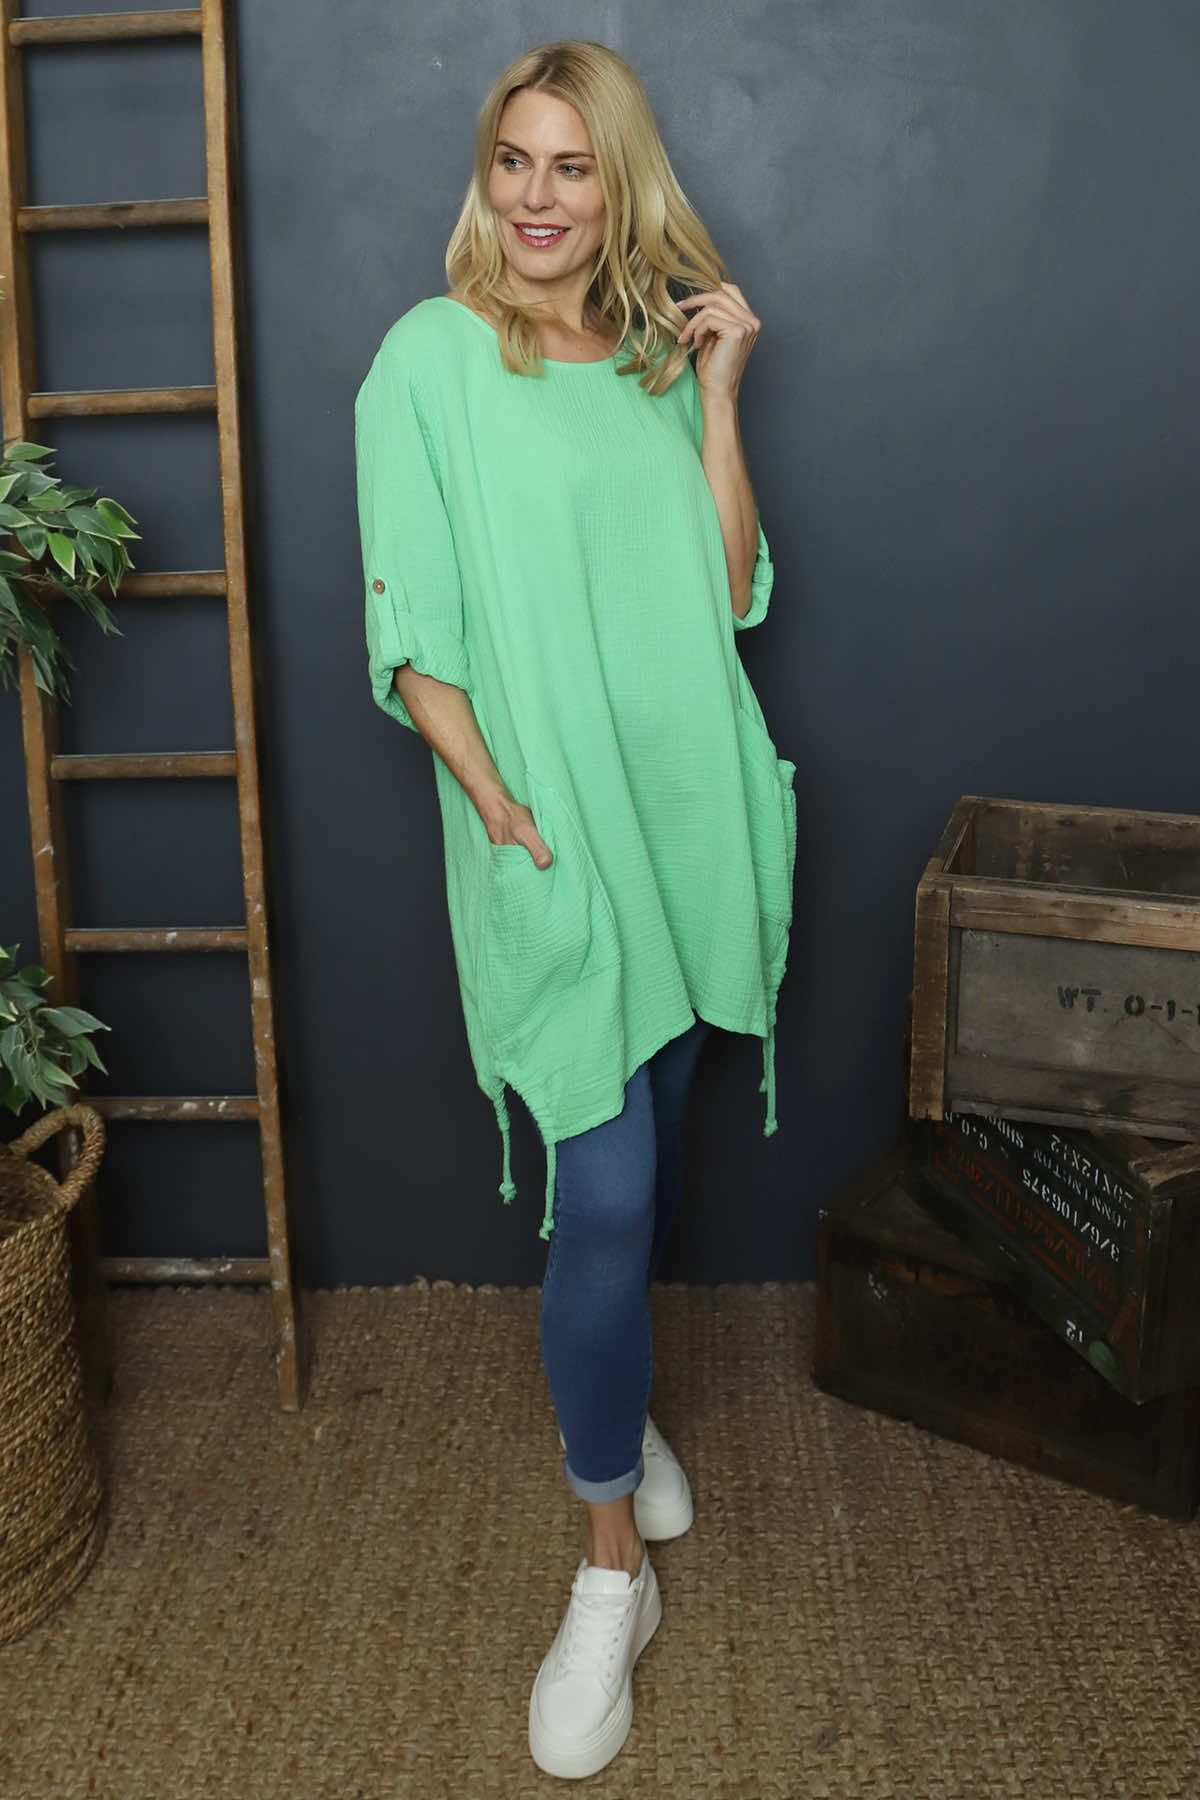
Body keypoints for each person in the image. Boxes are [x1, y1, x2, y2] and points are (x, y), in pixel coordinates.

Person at [354, 39, 796, 1780]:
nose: (538, 197)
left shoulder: (651, 363)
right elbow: (409, 626)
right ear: (489, 174)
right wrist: (498, 811)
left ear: (620, 185)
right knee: (599, 1194)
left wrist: (723, 397)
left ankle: (617, 1412)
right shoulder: (427, 360)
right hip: (551, 838)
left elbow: (735, 589)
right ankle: (613, 1567)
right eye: (515, 161)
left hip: (687, 828)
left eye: (574, 166)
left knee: (656, 1162)